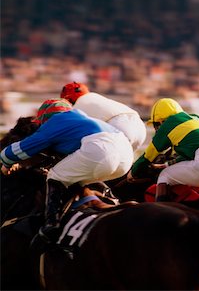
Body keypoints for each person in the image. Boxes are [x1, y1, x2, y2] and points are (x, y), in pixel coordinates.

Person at [0, 98, 134, 241]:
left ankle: (51, 223)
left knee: (55, 175)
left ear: (45, 117)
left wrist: (6, 163)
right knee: (75, 178)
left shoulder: (55, 123)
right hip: (126, 157)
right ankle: (106, 200)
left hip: (102, 151)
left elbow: (17, 150)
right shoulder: (80, 120)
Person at [127, 98, 199, 201]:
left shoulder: (168, 124)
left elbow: (148, 155)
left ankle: (162, 212)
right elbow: (191, 154)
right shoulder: (197, 118)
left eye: (156, 125)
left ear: (160, 121)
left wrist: (134, 172)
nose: (156, 129)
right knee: (191, 173)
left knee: (165, 175)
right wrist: (167, 164)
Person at [60, 82, 147, 153]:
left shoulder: (75, 107)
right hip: (140, 126)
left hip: (119, 125)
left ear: (68, 99)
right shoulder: (96, 97)